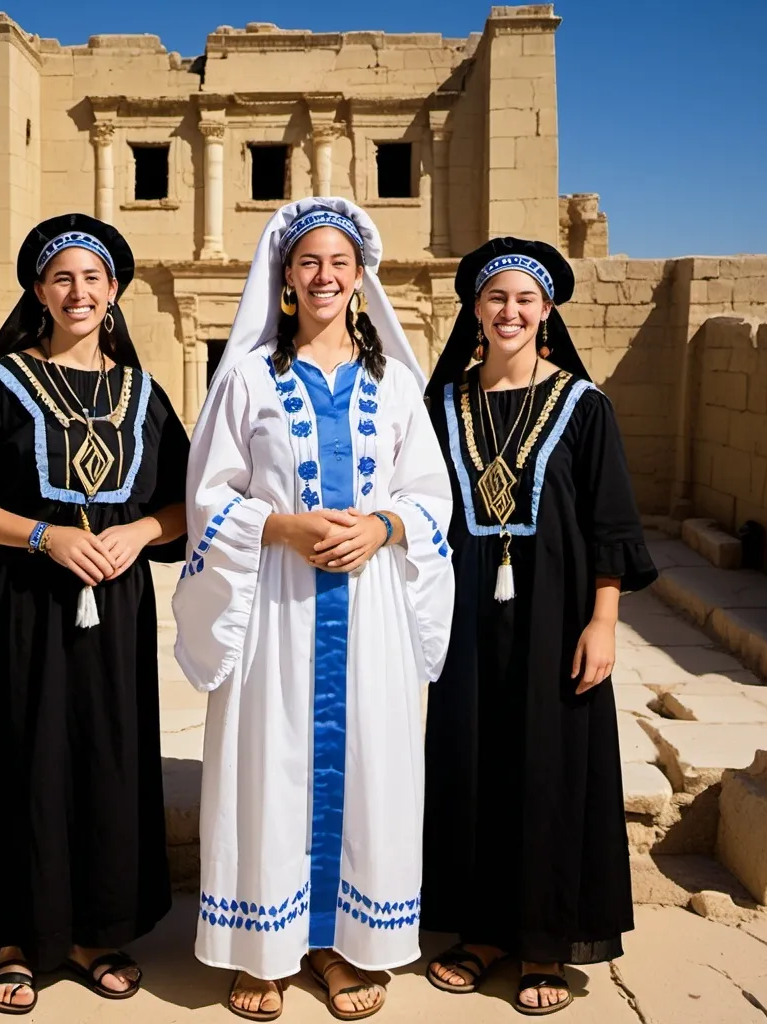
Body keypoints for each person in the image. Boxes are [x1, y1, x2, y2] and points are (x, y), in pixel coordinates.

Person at [0, 213, 189, 1015]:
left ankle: (98, 928)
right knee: (19, 750)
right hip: (20, 602)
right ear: (38, 290)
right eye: (62, 277)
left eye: (93, 278)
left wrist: (134, 531)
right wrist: (43, 535)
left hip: (116, 605)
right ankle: (17, 935)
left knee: (106, 754)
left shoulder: (143, 392)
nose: (78, 291)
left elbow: (184, 507)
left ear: (115, 291)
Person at [173, 199, 454, 1022]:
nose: (325, 276)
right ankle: (263, 947)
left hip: (371, 615)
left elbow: (429, 497)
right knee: (272, 761)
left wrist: (383, 525)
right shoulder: (249, 377)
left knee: (369, 763)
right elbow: (208, 495)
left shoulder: (396, 382)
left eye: (339, 263)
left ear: (360, 277)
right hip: (276, 608)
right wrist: (281, 525)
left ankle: (338, 945)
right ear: (286, 279)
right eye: (308, 263)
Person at [420, 237, 657, 1016]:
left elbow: (611, 522)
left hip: (558, 618)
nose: (509, 312)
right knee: (472, 764)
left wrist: (604, 620)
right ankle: (484, 932)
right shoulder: (442, 404)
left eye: (525, 300)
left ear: (547, 310)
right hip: (464, 618)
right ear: (475, 312)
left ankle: (544, 942)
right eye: (496, 300)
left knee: (549, 773)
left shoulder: (585, 408)